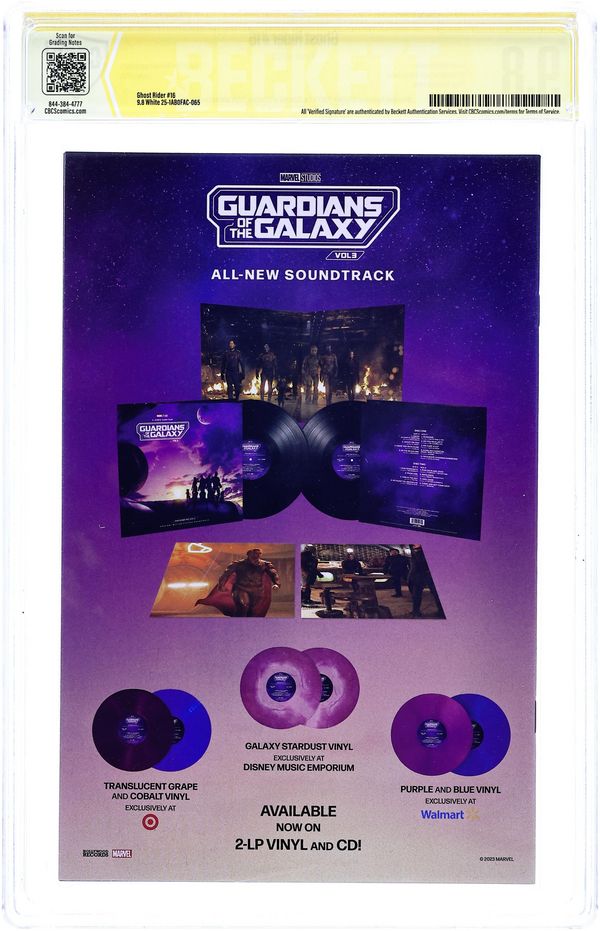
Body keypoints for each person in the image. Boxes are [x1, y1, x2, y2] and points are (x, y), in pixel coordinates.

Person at [200, 548, 280, 617]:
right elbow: (226, 574)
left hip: (257, 591)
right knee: (243, 606)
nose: (256, 558)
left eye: (257, 556)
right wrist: (221, 585)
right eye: (254, 556)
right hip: (241, 589)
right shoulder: (237, 564)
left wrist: (276, 583)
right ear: (249, 555)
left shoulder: (265, 564)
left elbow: (273, 574)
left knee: (251, 611)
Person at [407, 544, 430, 617]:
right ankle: (415, 610)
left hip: (419, 578)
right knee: (415, 596)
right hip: (413, 578)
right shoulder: (415, 555)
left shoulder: (421, 555)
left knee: (416, 595)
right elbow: (412, 568)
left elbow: (420, 568)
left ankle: (416, 612)